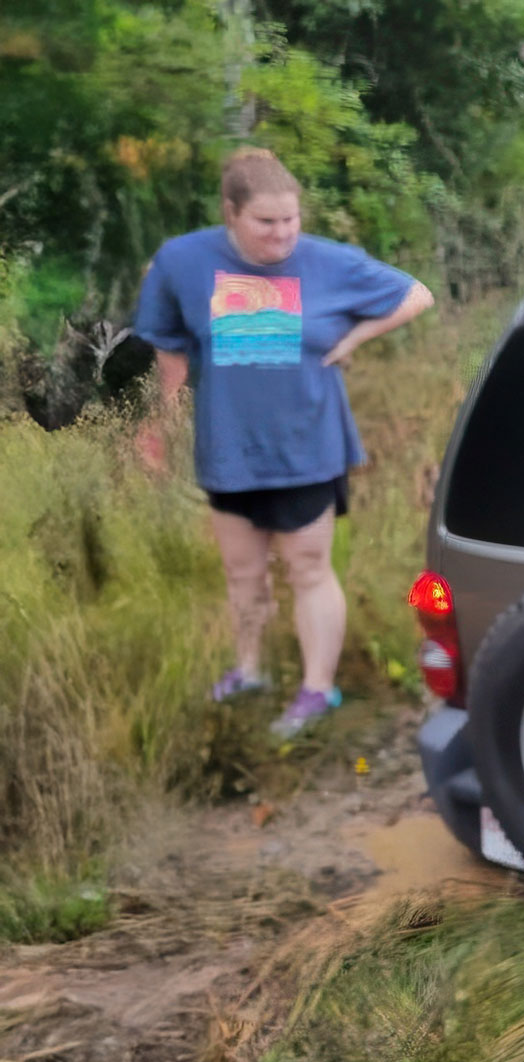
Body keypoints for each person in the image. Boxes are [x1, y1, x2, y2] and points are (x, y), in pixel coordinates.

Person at [133, 147, 434, 739]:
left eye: (291, 220)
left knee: (309, 568)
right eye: (266, 223)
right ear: (231, 214)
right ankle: (249, 672)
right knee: (243, 573)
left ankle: (317, 690)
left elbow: (417, 294)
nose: (282, 235)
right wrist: (158, 424)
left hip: (307, 446)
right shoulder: (182, 262)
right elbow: (168, 346)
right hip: (228, 449)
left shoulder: (330, 262)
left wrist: (356, 338)